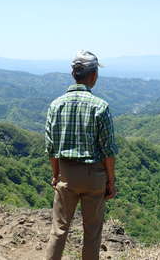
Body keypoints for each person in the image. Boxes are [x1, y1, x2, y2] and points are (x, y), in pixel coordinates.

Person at [45, 50, 118, 260]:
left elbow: (51, 148)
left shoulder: (56, 105)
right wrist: (110, 181)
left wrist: (56, 174)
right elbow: (108, 150)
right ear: (94, 75)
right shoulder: (101, 107)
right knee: (92, 234)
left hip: (66, 174)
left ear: (73, 74)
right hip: (94, 176)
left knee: (58, 230)